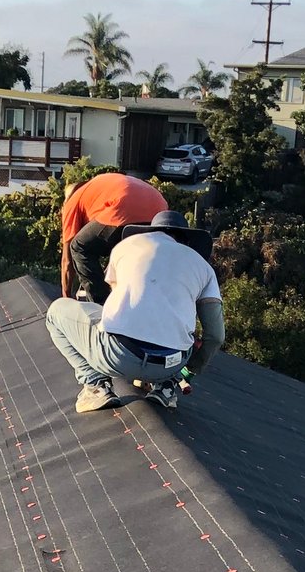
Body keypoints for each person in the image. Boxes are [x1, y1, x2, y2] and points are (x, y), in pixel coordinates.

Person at [46, 210, 224, 413]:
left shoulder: (127, 247)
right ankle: (166, 388)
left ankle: (96, 387)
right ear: (186, 240)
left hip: (118, 356)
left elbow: (117, 304)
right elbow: (216, 337)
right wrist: (186, 371)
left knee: (55, 312)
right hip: (171, 365)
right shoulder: (203, 267)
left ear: (150, 231)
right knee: (185, 335)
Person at [59, 170, 168, 302]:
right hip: (159, 208)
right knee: (123, 252)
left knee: (78, 246)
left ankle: (101, 304)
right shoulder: (98, 188)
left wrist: (65, 298)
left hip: (124, 205)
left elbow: (67, 261)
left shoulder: (72, 201)